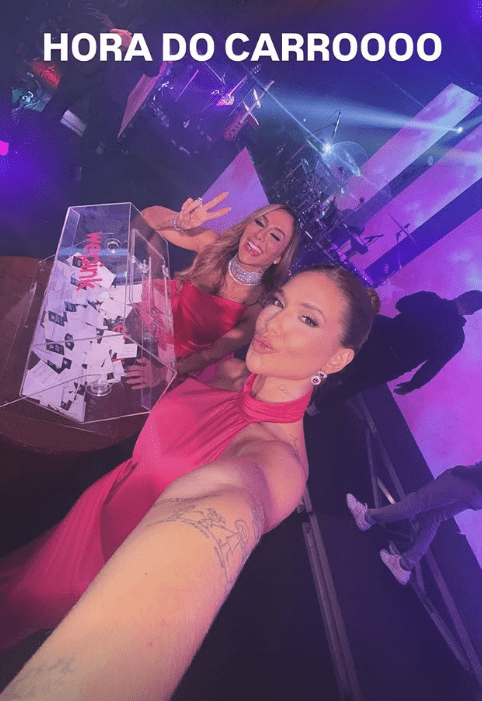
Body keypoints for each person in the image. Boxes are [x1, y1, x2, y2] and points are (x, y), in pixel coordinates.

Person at [0, 265, 378, 700]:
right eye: (278, 302)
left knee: (17, 610)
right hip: (87, 513)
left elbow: (225, 511)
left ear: (336, 359)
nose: (273, 322)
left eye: (307, 319)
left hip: (100, 566)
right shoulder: (231, 372)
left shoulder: (276, 463)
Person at [125, 192, 301, 386]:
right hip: (153, 312)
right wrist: (178, 221)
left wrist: (163, 373)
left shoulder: (257, 308)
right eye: (259, 223)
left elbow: (209, 355)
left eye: (275, 236)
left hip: (178, 360)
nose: (260, 235)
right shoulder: (213, 246)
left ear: (280, 257)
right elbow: (147, 217)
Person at [315, 288, 482, 404]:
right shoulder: (456, 339)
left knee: (342, 359)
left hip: (380, 337)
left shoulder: (430, 299)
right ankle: (316, 408)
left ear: (461, 295)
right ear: (471, 312)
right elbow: (433, 366)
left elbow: (401, 304)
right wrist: (413, 385)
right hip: (395, 363)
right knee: (354, 385)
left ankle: (312, 381)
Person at [346, 460, 482, 585]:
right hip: (477, 497)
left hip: (469, 481)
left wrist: (467, 472)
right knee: (433, 518)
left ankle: (367, 517)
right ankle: (404, 565)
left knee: (416, 503)